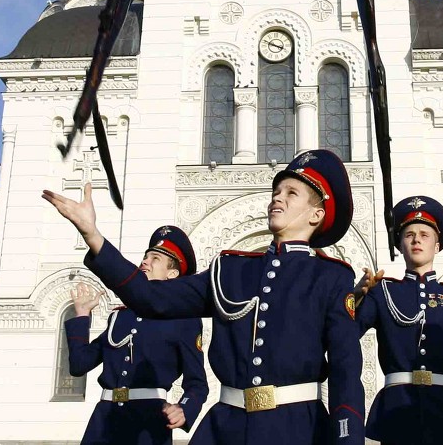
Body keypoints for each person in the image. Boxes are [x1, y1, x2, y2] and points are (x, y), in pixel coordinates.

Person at [44, 148, 365, 444]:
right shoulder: (229, 270)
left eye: (291, 193)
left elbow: (345, 369)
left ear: (316, 215)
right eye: (276, 192)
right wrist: (93, 236)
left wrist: (347, 437)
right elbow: (148, 297)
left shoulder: (331, 277)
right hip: (225, 426)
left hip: (297, 427)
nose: (276, 199)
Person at [354, 196, 443, 445]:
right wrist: (354, 298)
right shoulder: (383, 293)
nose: (416, 239)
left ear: (437, 245)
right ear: (400, 245)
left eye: (424, 234)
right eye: (409, 234)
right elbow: (345, 333)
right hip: (397, 413)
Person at [65, 225, 209, 444]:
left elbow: (197, 383)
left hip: (148, 425)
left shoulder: (184, 319)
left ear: (173, 273)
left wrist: (184, 409)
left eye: (155, 258)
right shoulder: (120, 317)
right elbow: (79, 365)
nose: (145, 262)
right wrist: (82, 316)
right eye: (145, 256)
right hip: (104, 422)